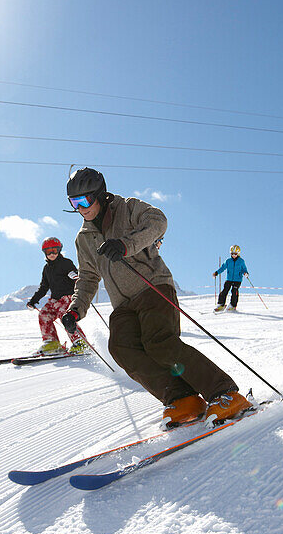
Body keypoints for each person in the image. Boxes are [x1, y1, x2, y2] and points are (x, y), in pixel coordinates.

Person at [60, 168, 250, 427]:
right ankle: (183, 398)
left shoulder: (127, 208)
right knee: (121, 348)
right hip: (123, 303)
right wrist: (75, 310)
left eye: (85, 200)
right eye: (74, 202)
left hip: (153, 287)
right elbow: (88, 277)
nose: (81, 208)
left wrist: (126, 245)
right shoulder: (84, 239)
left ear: (100, 195)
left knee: (159, 343)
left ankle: (225, 393)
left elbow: (158, 221)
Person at [27, 237, 87, 355]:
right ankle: (51, 343)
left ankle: (80, 342)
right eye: (49, 252)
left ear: (59, 250)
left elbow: (76, 275)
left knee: (65, 316)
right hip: (55, 299)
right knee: (44, 314)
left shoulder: (66, 263)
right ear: (45, 253)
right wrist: (33, 300)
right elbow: (44, 287)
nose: (52, 254)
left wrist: (74, 275)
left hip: (68, 297)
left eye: (54, 250)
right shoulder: (46, 269)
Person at [213, 245, 248, 311]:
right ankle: (221, 304)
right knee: (225, 291)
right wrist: (217, 272)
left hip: (237, 279)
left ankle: (232, 305)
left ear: (238, 253)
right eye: (232, 254)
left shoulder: (241, 261)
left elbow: (244, 269)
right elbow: (223, 268)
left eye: (235, 254)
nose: (233, 255)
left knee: (234, 291)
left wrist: (245, 273)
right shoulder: (228, 261)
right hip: (229, 279)